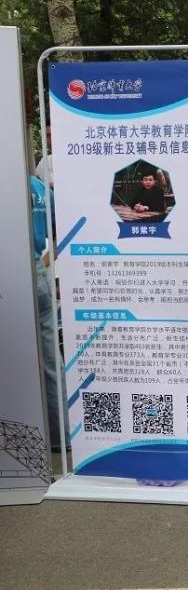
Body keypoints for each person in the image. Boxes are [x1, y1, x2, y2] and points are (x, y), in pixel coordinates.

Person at [29, 174, 70, 452]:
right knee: (50, 359)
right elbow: (61, 229)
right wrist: (44, 263)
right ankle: (60, 437)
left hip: (13, 271)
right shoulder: (38, 186)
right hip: (37, 270)